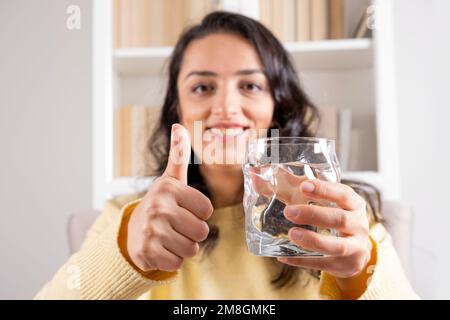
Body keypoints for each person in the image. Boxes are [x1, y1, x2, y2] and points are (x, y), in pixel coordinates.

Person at [35, 11, 418, 300]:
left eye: (250, 85)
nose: (226, 106)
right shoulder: (128, 217)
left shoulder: (342, 216)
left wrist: (358, 274)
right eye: (202, 87)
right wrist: (126, 255)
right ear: (177, 111)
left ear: (276, 107)